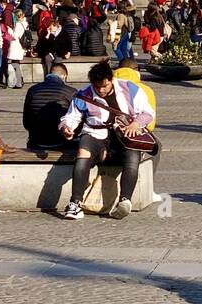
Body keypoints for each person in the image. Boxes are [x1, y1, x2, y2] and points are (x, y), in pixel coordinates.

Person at [58, 60, 154, 222]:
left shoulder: (130, 89)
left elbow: (147, 113)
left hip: (123, 135)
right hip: (95, 134)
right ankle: (75, 203)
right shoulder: (84, 95)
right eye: (97, 87)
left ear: (111, 80)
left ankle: (125, 200)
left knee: (132, 156)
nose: (101, 90)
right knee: (83, 153)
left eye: (104, 86)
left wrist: (136, 124)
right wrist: (67, 127)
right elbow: (72, 116)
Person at [22, 60, 76, 149]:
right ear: (65, 76)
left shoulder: (32, 90)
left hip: (36, 141)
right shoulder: (71, 92)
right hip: (63, 142)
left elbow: (26, 122)